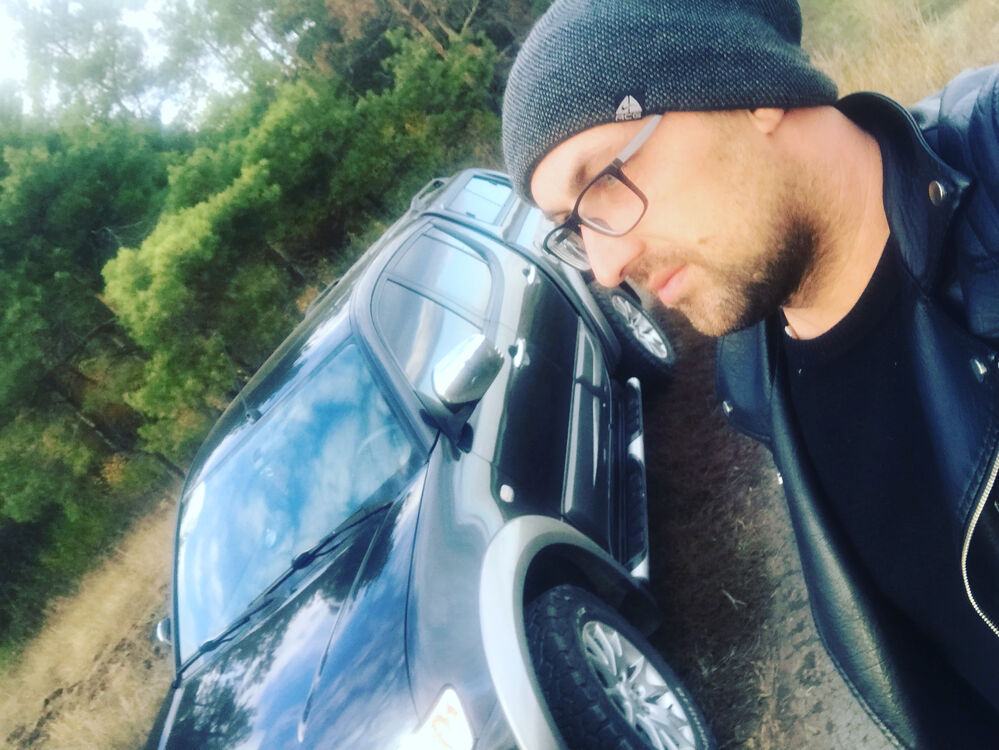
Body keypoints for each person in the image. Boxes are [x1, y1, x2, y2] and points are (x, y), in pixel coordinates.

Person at [501, 0, 999, 747]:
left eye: (603, 178)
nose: (604, 267)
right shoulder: (752, 379)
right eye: (573, 226)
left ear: (751, 88)